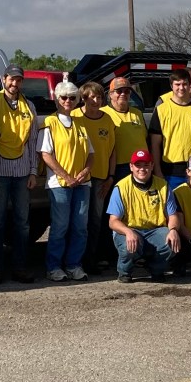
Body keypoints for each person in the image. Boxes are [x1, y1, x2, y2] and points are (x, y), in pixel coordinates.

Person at [0, 63, 37, 283]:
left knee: (23, 223)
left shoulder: (29, 106)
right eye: (12, 79)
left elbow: (32, 141)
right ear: (4, 79)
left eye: (19, 79)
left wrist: (33, 171)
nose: (15, 83)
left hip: (23, 172)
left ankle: (20, 267)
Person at [39, 79, 94, 281]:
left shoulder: (80, 123)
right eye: (64, 97)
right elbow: (46, 154)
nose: (68, 101)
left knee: (80, 227)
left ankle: (74, 265)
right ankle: (53, 267)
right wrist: (66, 176)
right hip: (59, 185)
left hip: (82, 183)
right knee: (60, 226)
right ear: (57, 99)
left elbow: (90, 153)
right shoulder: (49, 123)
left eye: (72, 97)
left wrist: (84, 172)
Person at [107, 149, 177, 281]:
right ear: (131, 167)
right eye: (138, 165)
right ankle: (125, 272)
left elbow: (173, 216)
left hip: (155, 230)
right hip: (130, 229)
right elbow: (113, 221)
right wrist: (128, 232)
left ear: (152, 166)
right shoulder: (121, 187)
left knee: (171, 241)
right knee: (128, 246)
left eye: (146, 165)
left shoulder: (163, 186)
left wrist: (173, 230)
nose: (142, 169)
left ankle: (156, 269)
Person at [77, 83, 117, 273]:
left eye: (99, 97)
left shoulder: (107, 119)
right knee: (79, 221)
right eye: (92, 97)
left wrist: (110, 176)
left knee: (96, 220)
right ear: (83, 98)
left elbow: (113, 151)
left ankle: (91, 260)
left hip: (100, 178)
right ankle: (75, 260)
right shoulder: (75, 117)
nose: (96, 101)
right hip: (79, 178)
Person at [149, 66, 191, 181]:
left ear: (189, 84)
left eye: (185, 84)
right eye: (177, 84)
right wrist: (157, 171)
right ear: (171, 86)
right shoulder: (161, 110)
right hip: (170, 171)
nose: (181, 88)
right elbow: (155, 144)